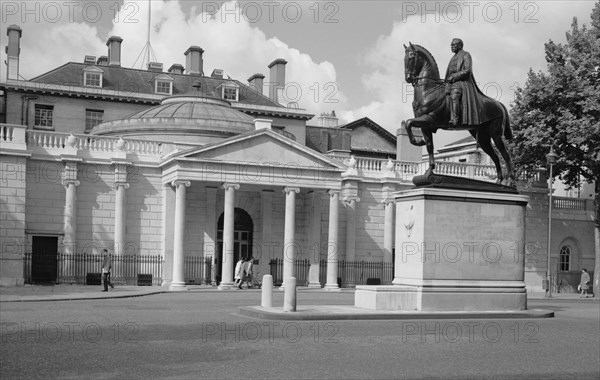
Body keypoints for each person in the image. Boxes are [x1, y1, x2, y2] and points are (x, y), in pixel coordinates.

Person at [444, 38, 487, 127]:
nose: (451, 47)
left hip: (461, 82)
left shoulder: (466, 55)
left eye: (454, 45)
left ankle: (455, 118)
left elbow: (467, 71)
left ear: (460, 46)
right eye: (451, 45)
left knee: (455, 95)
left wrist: (454, 76)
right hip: (450, 82)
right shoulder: (452, 58)